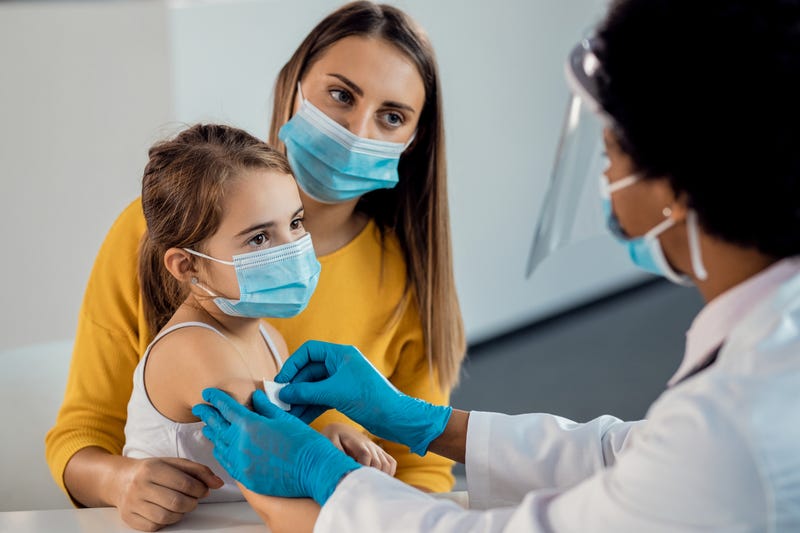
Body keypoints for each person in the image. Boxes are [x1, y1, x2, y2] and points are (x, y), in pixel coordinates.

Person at [194, 0, 800, 530]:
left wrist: (322, 475)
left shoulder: (734, 430)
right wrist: (425, 423)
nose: (607, 175)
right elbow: (622, 452)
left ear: (680, 186)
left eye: (613, 151)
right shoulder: (764, 359)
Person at [45, 1, 464, 530]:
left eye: (392, 116)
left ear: (414, 140)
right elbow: (83, 434)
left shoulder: (402, 279)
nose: (358, 131)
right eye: (341, 95)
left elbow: (419, 468)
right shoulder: (152, 232)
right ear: (292, 86)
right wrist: (119, 480)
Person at [120, 123, 396, 529]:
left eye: (296, 223)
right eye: (260, 238)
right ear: (187, 265)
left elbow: (285, 456)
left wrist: (327, 439)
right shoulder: (195, 350)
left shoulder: (269, 337)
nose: (294, 249)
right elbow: (276, 493)